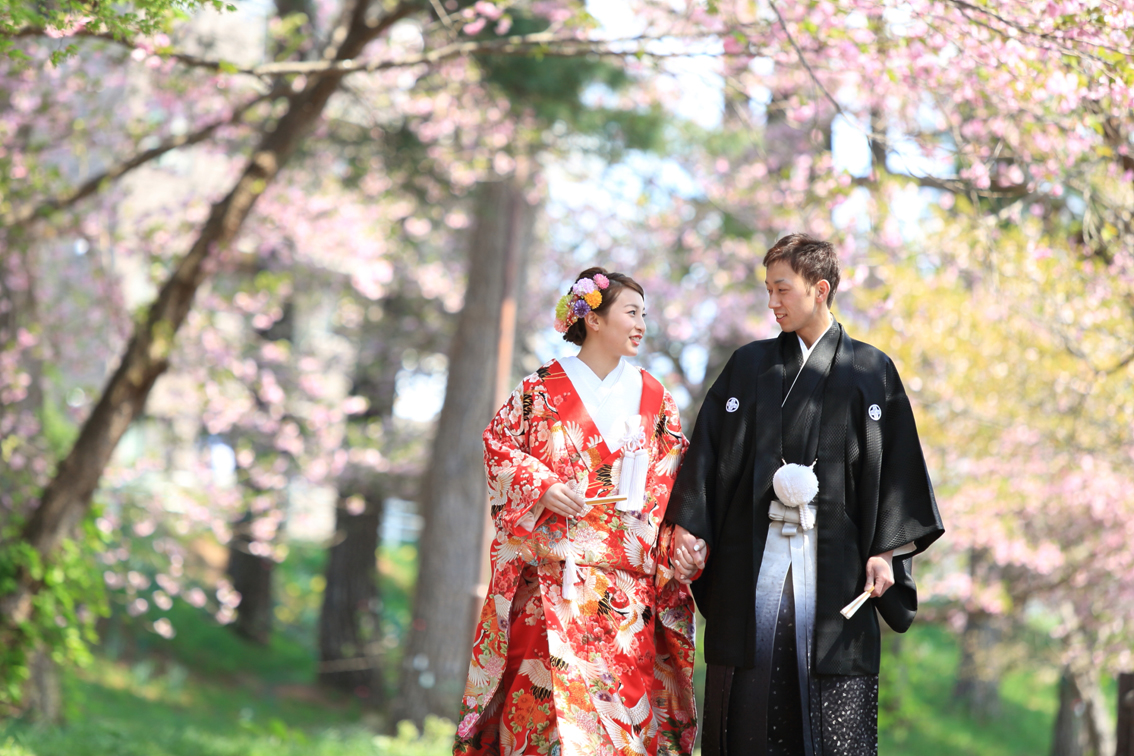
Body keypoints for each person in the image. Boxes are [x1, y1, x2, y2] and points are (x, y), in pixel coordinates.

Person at [667, 234, 944, 756]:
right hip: (756, 556)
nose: (772, 303)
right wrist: (692, 524)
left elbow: (896, 471)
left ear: (819, 290)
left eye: (782, 290)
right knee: (749, 695)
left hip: (836, 566)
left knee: (831, 705)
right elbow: (708, 450)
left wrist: (886, 552)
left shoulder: (870, 370)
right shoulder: (749, 367)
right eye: (768, 291)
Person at [454, 268, 699, 756]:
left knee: (625, 728)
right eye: (631, 313)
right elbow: (498, 446)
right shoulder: (541, 388)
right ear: (593, 320)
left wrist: (685, 540)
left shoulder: (657, 399)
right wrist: (541, 485)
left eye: (644, 314)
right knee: (542, 719)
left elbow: (677, 487)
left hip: (624, 598)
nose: (641, 325)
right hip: (550, 584)